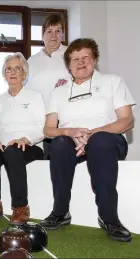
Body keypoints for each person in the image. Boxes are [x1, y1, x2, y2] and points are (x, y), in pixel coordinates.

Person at [40, 38, 135, 242]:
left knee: (100, 141)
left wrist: (92, 135)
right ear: (68, 65)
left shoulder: (112, 81)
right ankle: (60, 212)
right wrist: (71, 132)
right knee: (58, 144)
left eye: (86, 57)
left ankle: (110, 218)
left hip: (108, 140)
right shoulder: (58, 92)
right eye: (75, 59)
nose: (80, 62)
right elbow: (48, 129)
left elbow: (127, 120)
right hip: (72, 142)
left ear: (95, 59)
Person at [0, 53, 45, 224]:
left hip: (31, 146)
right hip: (6, 147)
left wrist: (26, 139)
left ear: (25, 73)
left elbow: (42, 129)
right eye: (9, 69)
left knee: (13, 152)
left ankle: (21, 206)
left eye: (18, 68)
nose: (13, 72)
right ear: (4, 74)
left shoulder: (35, 97)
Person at [27, 14, 70, 159]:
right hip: (39, 119)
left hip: (64, 117)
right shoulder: (32, 61)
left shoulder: (71, 55)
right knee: (43, 163)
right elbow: (26, 90)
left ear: (63, 35)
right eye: (49, 31)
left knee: (62, 160)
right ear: (42, 35)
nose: (54, 35)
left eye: (58, 31)